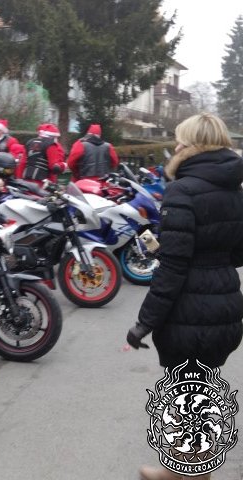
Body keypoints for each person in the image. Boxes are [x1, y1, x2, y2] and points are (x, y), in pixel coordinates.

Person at [126, 113, 243, 480]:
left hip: (190, 309)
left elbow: (173, 269)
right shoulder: (235, 190)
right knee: (198, 389)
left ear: (192, 146)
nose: (175, 146)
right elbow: (238, 252)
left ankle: (185, 474)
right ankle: (185, 471)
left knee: (189, 391)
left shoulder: (183, 190)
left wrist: (144, 323)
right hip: (224, 303)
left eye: (179, 139)